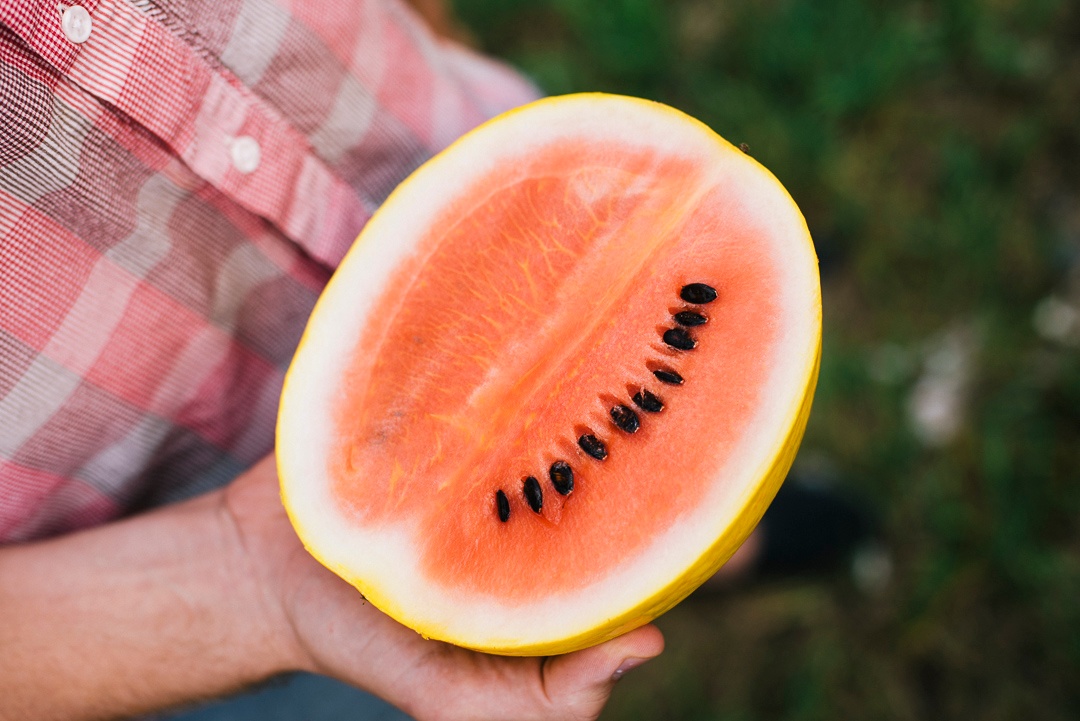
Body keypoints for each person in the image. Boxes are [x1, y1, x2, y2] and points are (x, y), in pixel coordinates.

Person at [0, 1, 665, 719]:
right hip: (166, 567)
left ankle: (744, 536)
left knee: (679, 411)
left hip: (476, 162)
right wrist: (254, 590)